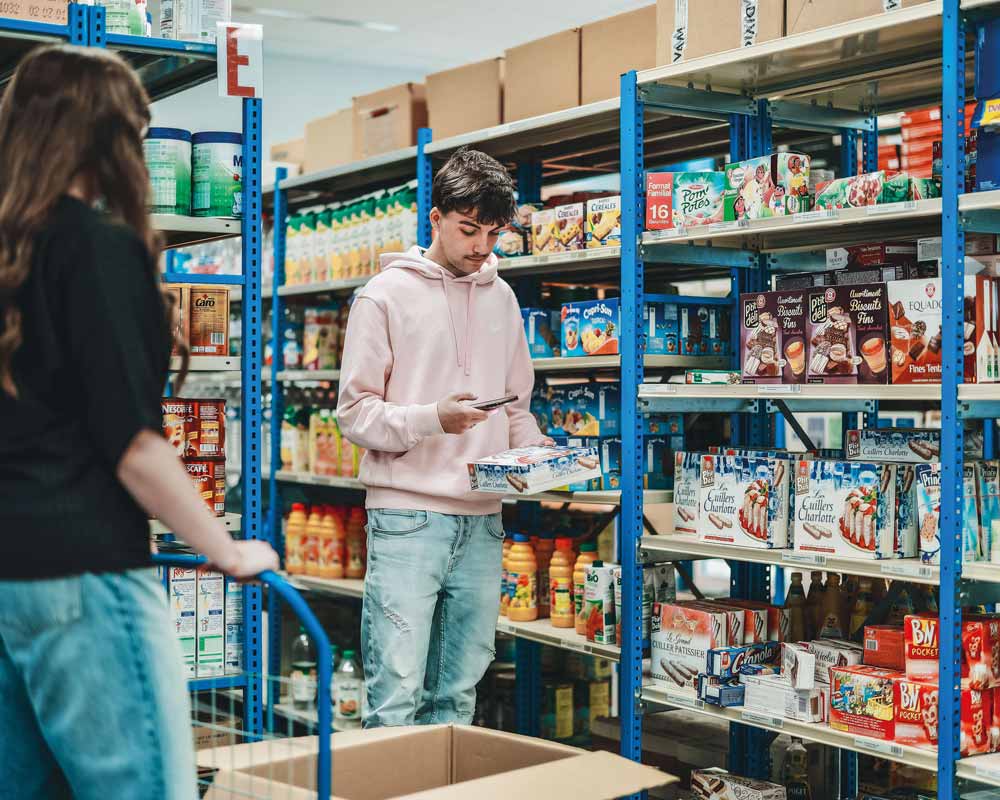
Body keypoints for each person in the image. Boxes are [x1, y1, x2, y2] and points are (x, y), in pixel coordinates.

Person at [0, 46, 278, 799]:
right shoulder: (97, 247)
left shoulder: (11, 253)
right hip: (85, 577)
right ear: (111, 138)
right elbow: (133, 445)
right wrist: (225, 548)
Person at [338, 147, 551, 727]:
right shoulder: (382, 296)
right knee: (395, 696)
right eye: (467, 229)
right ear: (434, 219)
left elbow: (516, 409)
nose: (481, 246)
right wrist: (434, 416)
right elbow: (354, 415)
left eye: (492, 232)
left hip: (484, 521)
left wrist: (543, 456)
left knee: (458, 699)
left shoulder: (502, 298)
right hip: (408, 519)